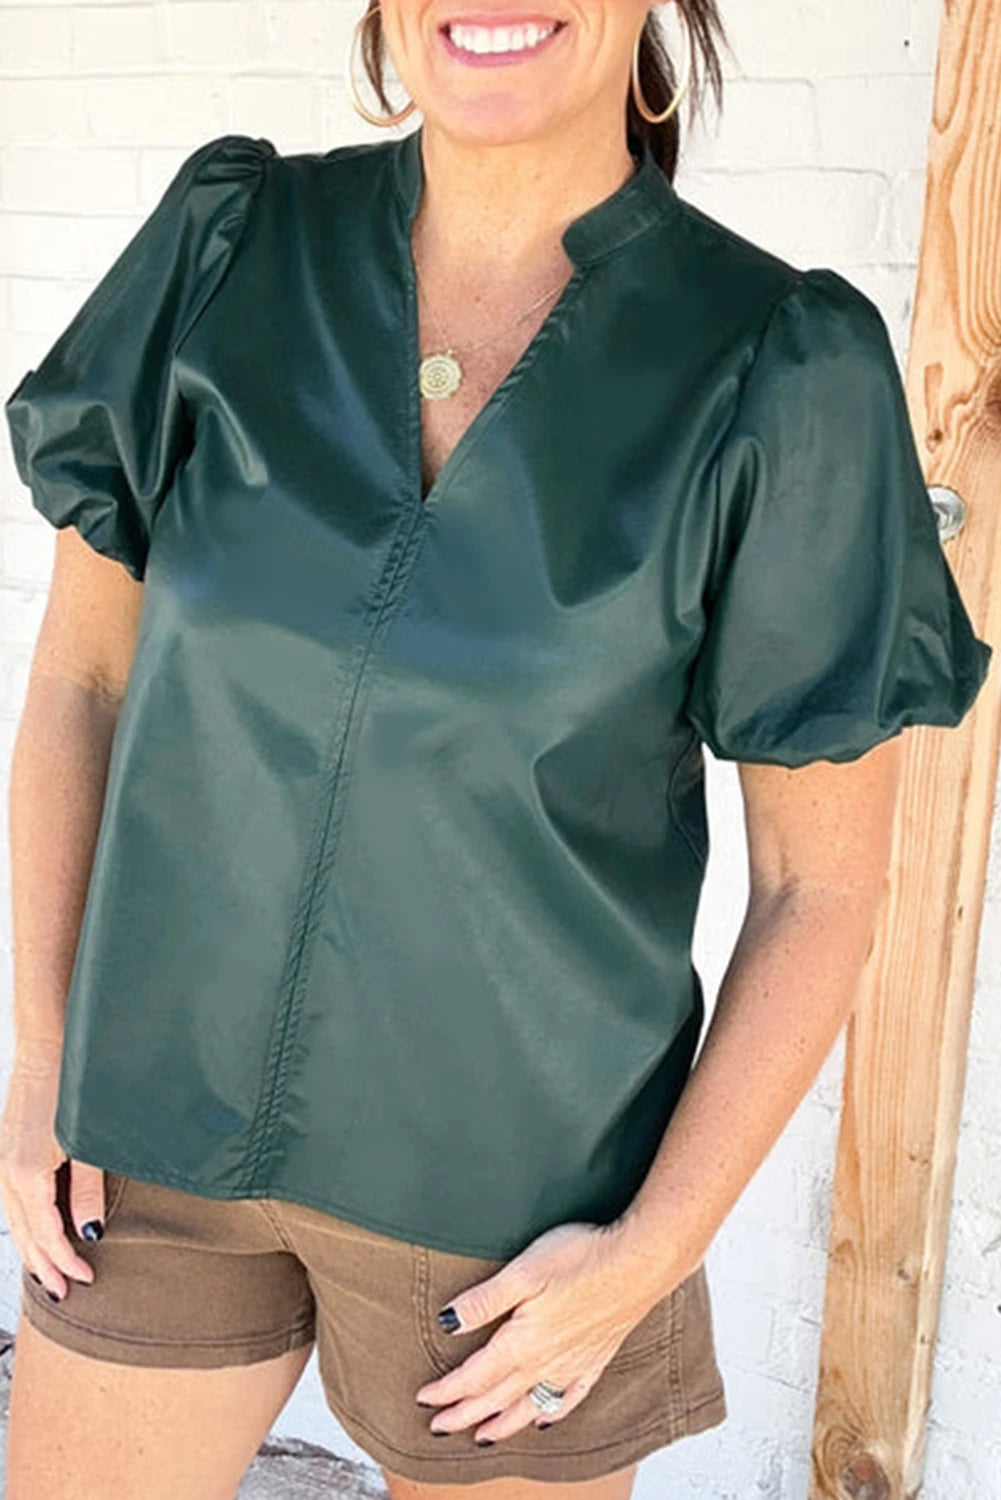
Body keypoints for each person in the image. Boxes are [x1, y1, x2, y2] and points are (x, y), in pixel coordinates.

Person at [0, 0, 993, 1495]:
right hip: (145, 1144)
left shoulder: (777, 365)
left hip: (512, 1220)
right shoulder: (229, 245)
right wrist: (43, 1058)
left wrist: (649, 1253)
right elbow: (84, 679)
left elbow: (821, 889)